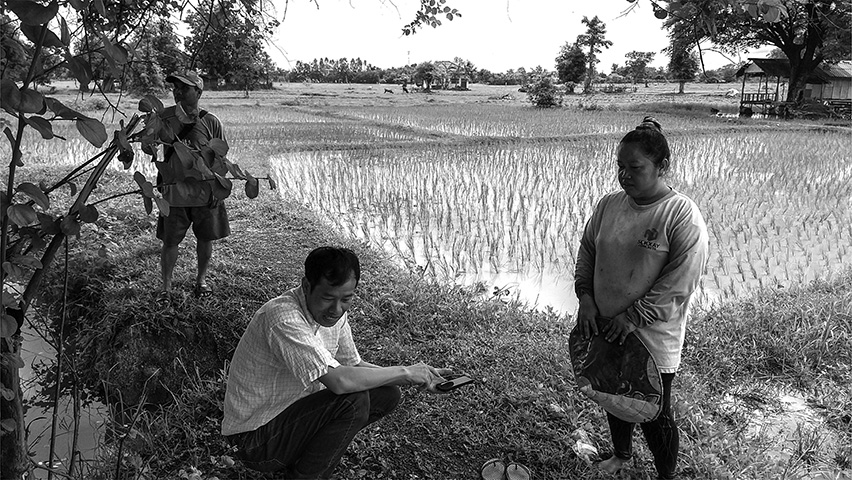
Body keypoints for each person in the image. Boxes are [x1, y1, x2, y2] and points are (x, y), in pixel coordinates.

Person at [222, 246, 451, 479]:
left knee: (386, 392)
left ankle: (307, 455)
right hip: (254, 441)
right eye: (328, 298)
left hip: (289, 416)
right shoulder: (283, 319)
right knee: (353, 400)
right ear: (306, 285)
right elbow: (341, 381)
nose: (336, 309)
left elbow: (355, 365)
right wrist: (405, 371)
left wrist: (415, 377)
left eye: (346, 299)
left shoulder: (334, 315)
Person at [573, 116, 709, 479]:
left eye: (635, 167)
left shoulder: (680, 214)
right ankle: (621, 455)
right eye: (620, 167)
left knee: (654, 410)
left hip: (649, 335)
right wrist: (585, 296)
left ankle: (666, 476)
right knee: (612, 394)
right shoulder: (609, 205)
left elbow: (681, 280)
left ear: (662, 166)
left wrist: (633, 316)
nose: (625, 175)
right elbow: (588, 251)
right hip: (603, 323)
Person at [157, 70, 230, 299]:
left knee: (205, 238)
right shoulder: (164, 118)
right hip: (174, 193)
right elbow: (151, 146)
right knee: (170, 241)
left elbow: (221, 158)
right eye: (175, 87)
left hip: (204, 192)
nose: (177, 91)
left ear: (198, 92)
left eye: (184, 88)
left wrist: (218, 188)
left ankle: (201, 281)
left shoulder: (210, 121)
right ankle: (166, 287)